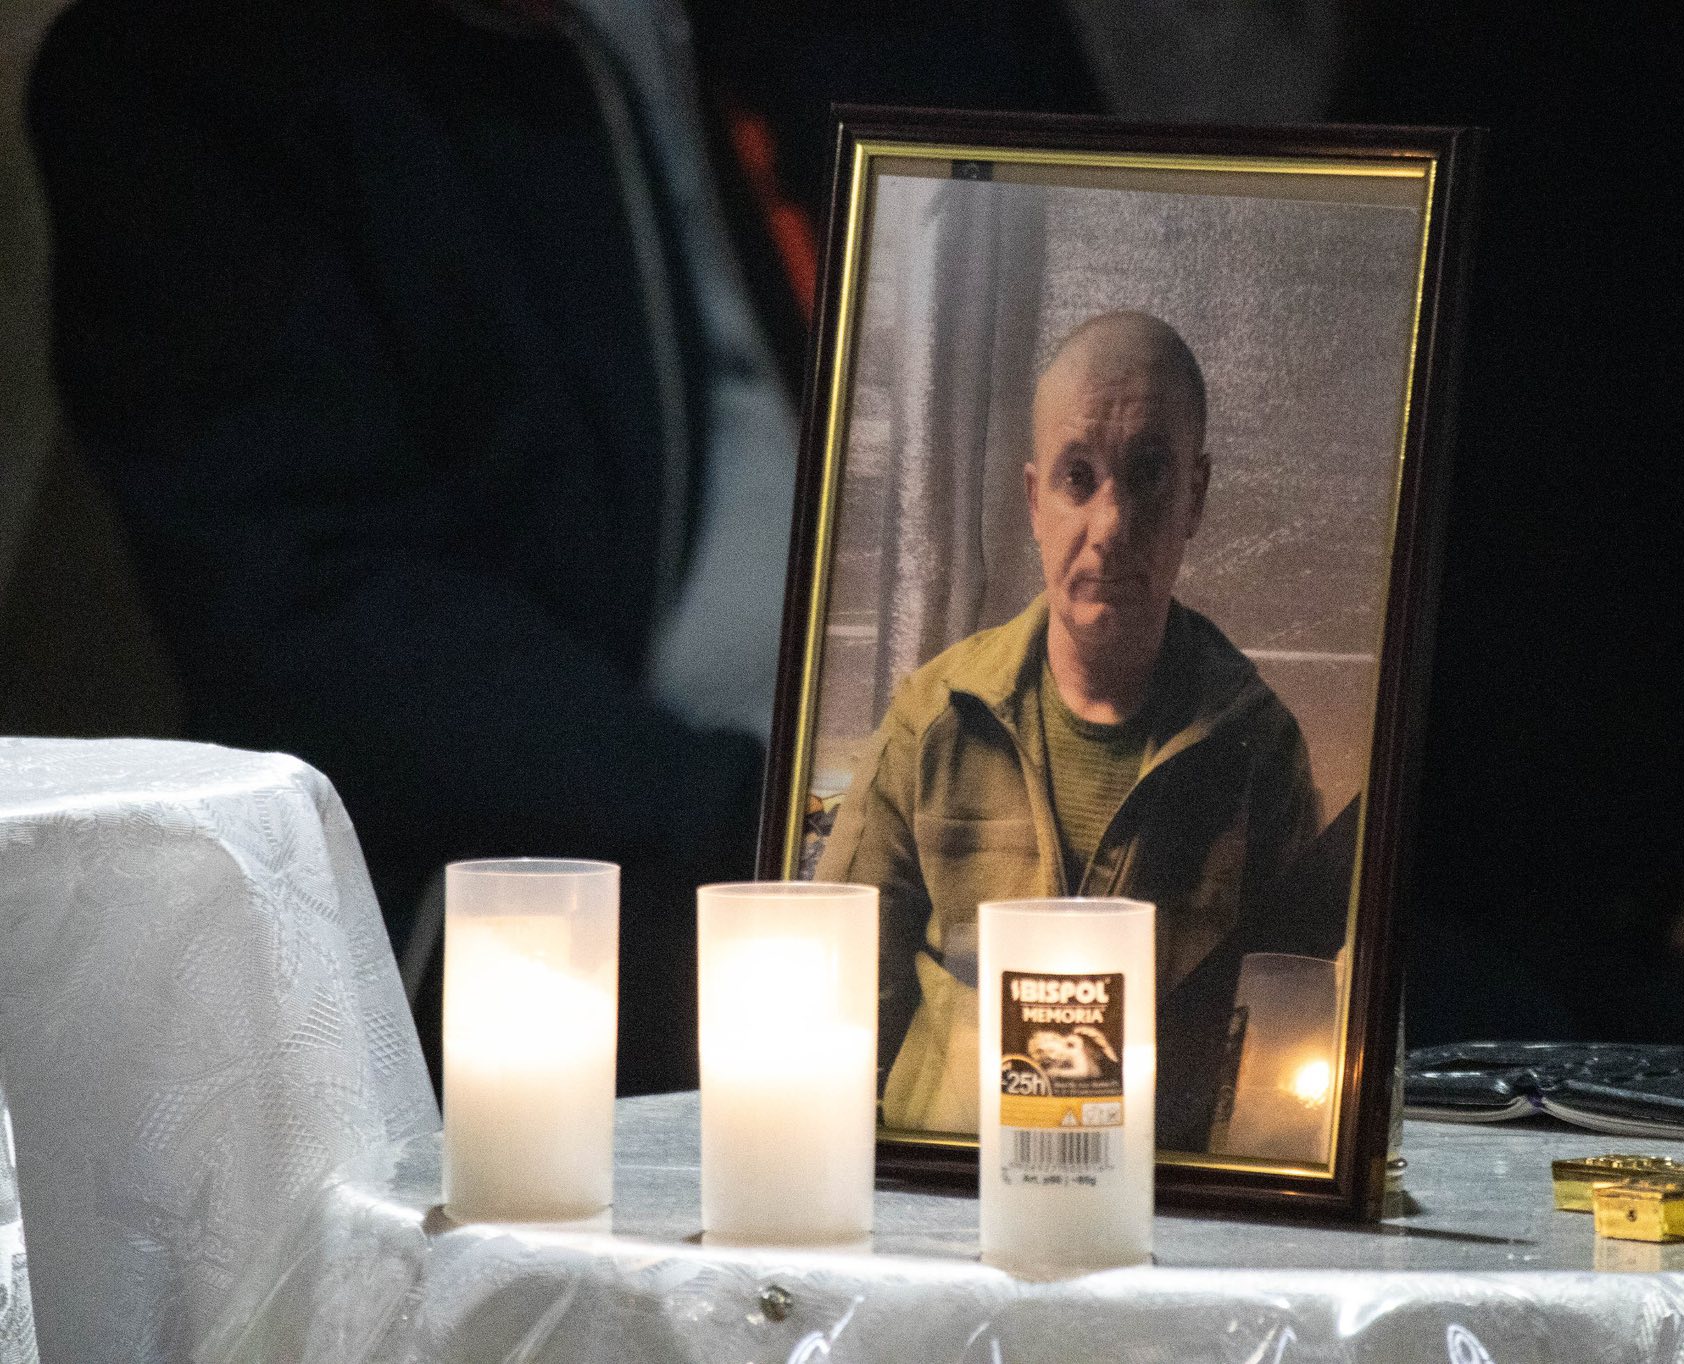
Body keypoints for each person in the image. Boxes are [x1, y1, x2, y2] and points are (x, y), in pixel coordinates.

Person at [28, 0, 808, 1093]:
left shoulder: (799, 37)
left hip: (881, 797)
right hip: (571, 893)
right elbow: (309, 610)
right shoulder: (189, 66)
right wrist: (767, 819)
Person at [819, 311, 1319, 1136]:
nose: (1111, 526)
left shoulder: (1257, 751)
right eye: (1078, 478)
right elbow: (834, 1015)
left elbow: (1286, 1059)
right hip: (951, 1187)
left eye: (1149, 474)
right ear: (1033, 501)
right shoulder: (934, 723)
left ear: (1195, 497)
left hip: (1161, 1191)